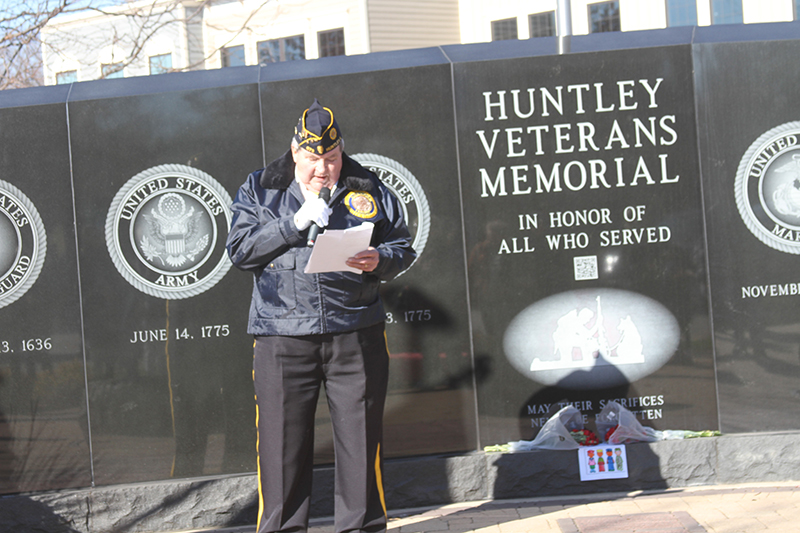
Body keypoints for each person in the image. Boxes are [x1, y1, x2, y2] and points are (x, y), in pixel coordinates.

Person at [226, 99, 416, 533]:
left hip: (355, 331)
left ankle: (360, 527)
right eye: (313, 159)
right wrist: (291, 224)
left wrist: (379, 259)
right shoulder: (262, 187)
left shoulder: (366, 184)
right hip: (283, 336)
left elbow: (402, 246)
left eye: (331, 159)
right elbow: (239, 251)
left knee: (360, 442)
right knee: (281, 448)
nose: (323, 170)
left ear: (342, 151)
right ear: (295, 152)